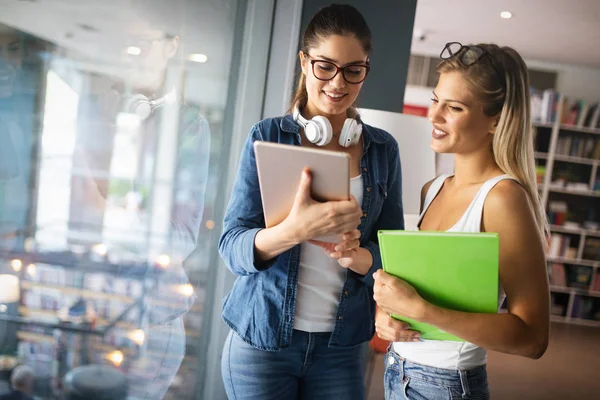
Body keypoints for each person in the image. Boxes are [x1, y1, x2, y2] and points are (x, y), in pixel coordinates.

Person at [218, 4, 404, 400]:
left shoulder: (383, 150)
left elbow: (395, 250)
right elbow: (231, 247)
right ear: (304, 62)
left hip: (341, 349)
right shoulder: (267, 135)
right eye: (325, 66)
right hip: (262, 342)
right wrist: (293, 231)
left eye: (354, 69)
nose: (338, 82)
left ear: (366, 69)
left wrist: (363, 258)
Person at [373, 42, 550, 400]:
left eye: (454, 107)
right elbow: (425, 292)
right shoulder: (433, 188)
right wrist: (388, 316)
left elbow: (532, 338)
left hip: (447, 385)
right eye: (436, 100)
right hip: (398, 371)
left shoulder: (502, 198)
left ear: (496, 120)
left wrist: (422, 310)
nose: (434, 117)